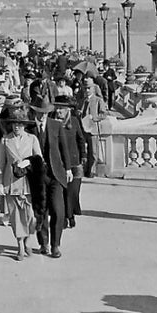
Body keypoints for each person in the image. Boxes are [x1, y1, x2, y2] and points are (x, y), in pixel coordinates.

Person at [0, 108, 43, 261]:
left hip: (29, 182)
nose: (17, 127)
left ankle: (28, 239)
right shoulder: (5, 140)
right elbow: (1, 164)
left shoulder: (32, 139)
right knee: (16, 217)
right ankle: (20, 247)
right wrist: (0, 184)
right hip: (12, 182)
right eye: (14, 124)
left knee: (31, 218)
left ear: (25, 125)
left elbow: (39, 159)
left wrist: (28, 161)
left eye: (20, 124)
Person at [34, 99, 74, 258]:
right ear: (35, 112)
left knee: (58, 210)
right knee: (40, 211)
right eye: (39, 113)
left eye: (44, 113)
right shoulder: (30, 128)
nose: (42, 116)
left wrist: (68, 168)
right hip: (37, 176)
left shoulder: (56, 126)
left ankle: (55, 244)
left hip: (55, 174)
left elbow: (64, 148)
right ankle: (43, 243)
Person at [54, 86, 89, 224]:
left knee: (72, 192)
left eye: (61, 108)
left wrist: (83, 156)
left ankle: (70, 214)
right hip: (59, 162)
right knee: (61, 193)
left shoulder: (74, 121)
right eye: (57, 108)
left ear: (68, 109)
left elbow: (81, 139)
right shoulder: (53, 122)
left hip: (75, 162)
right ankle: (63, 218)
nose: (58, 111)